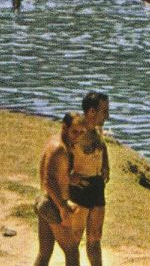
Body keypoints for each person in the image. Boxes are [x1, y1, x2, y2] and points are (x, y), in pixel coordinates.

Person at [36, 112, 86, 266]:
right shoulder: (60, 148)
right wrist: (63, 207)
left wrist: (69, 178)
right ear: (65, 128)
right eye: (74, 132)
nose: (78, 136)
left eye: (81, 132)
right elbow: (48, 181)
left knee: (45, 253)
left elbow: (51, 173)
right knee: (72, 251)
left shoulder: (54, 141)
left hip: (44, 202)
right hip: (52, 205)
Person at [73, 92, 111, 266]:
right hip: (80, 188)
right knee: (74, 239)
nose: (107, 116)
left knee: (95, 238)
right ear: (91, 112)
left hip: (97, 186)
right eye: (104, 111)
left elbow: (102, 145)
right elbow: (60, 155)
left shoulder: (98, 131)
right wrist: (69, 177)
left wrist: (106, 165)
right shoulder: (76, 132)